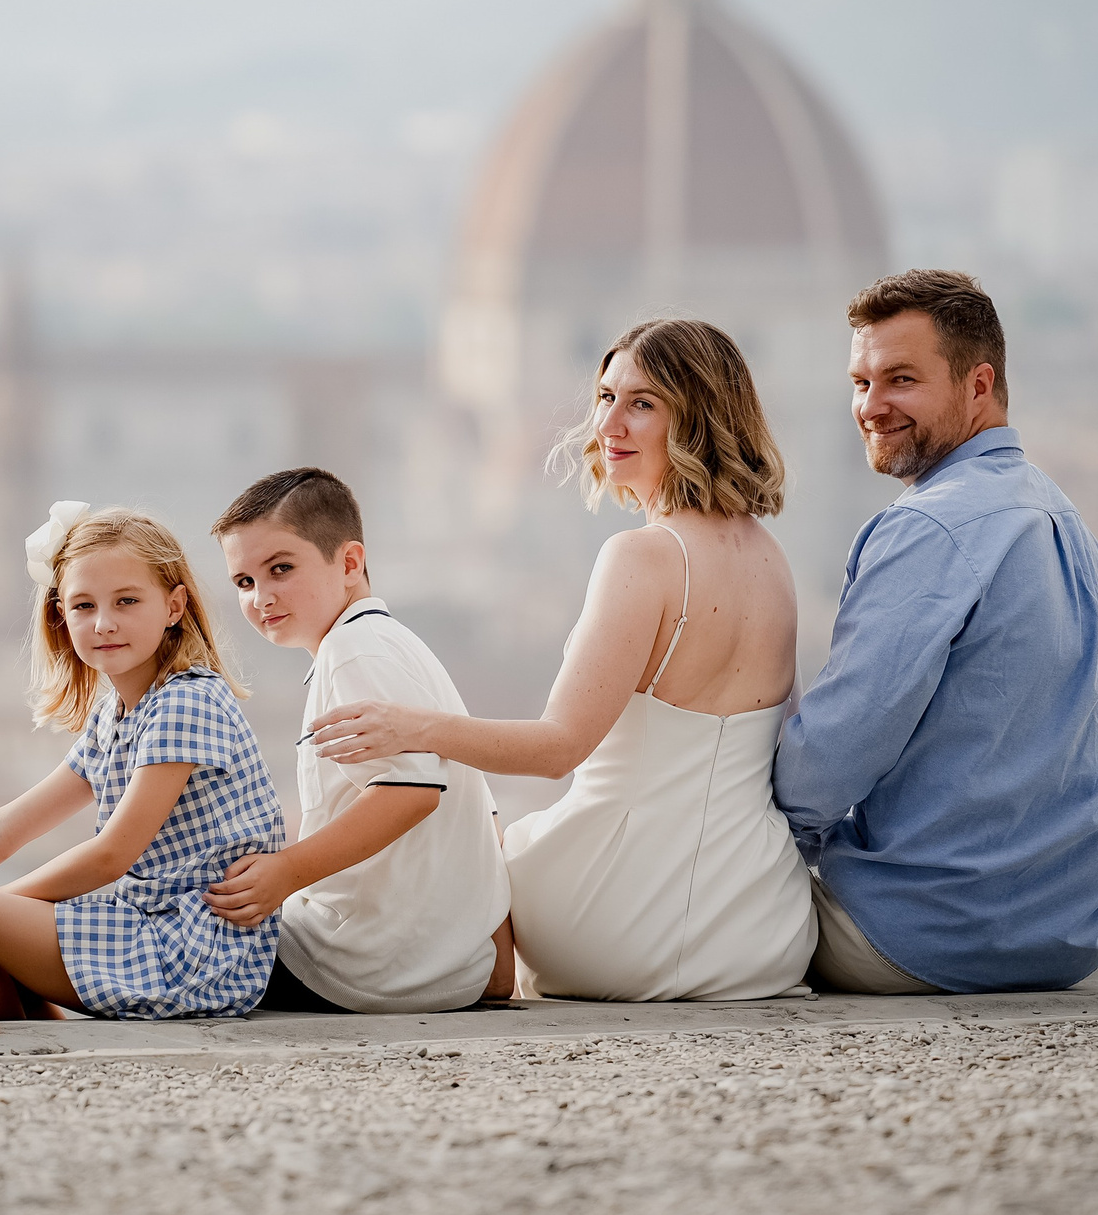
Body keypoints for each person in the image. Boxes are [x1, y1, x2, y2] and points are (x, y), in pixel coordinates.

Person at [312, 318, 815, 1001]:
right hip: (763, 930)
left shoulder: (643, 557)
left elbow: (557, 749)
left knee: (466, 825)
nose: (609, 422)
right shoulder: (774, 561)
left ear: (698, 417)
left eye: (642, 403)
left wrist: (415, 726)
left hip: (618, 926)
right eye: (606, 397)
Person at [774, 268, 1098, 994]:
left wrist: (761, 851)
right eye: (860, 381)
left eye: (900, 379)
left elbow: (826, 762)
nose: (871, 406)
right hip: (1068, 935)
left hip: (922, 935)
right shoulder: (1064, 519)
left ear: (979, 385)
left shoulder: (929, 526)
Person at [0, 504, 285, 1020]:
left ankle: (22, 1049)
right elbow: (3, 827)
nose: (103, 623)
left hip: (193, 950)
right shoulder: (116, 714)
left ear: (173, 605)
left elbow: (110, 856)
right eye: (83, 606)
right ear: (60, 614)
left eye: (126, 601)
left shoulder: (187, 701)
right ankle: (38, 1045)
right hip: (144, 925)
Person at [208, 467, 513, 1013]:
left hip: (363, 964)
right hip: (430, 961)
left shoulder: (357, 651)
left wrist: (286, 872)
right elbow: (482, 813)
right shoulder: (380, 643)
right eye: (244, 582)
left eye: (281, 569)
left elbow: (411, 792)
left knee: (152, 945)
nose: (261, 597)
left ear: (349, 563)